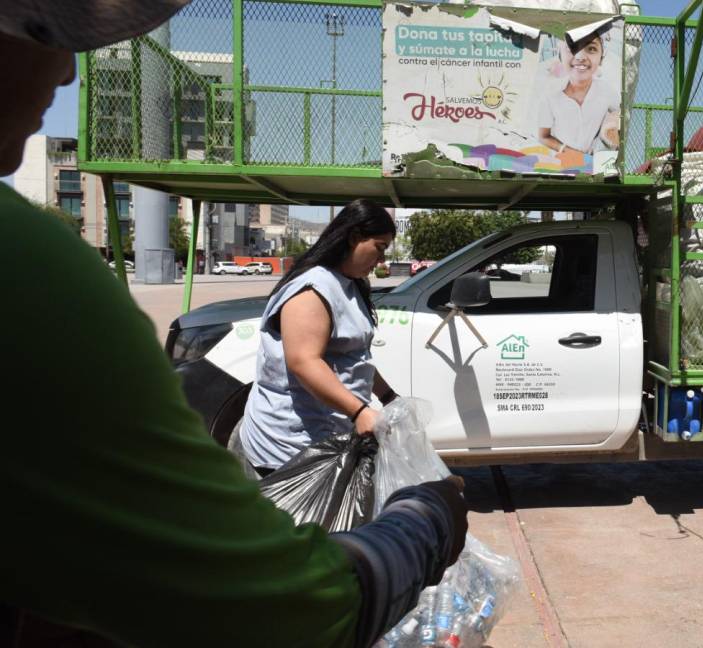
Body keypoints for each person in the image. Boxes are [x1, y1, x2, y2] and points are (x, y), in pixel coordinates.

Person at [0, 3, 467, 646]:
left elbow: (352, 361)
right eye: (46, 31)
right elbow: (268, 600)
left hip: (337, 431)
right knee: (307, 524)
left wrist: (381, 400)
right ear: (350, 238)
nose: (66, 75)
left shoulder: (355, 289)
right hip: (295, 440)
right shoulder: (33, 270)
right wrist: (424, 522)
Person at [238, 199, 397, 473]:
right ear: (354, 237)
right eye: (379, 248)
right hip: (290, 446)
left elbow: (354, 357)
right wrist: (359, 412)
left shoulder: (350, 285)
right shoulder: (313, 289)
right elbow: (303, 361)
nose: (381, 260)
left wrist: (389, 397)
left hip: (325, 438)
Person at [538, 33, 621, 155]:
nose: (580, 56)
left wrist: (610, 125)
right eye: (572, 48)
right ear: (560, 54)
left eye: (591, 49)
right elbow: (543, 137)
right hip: (557, 166)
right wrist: (570, 153)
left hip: (592, 168)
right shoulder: (550, 93)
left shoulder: (608, 91)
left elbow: (621, 114)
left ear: (601, 57)